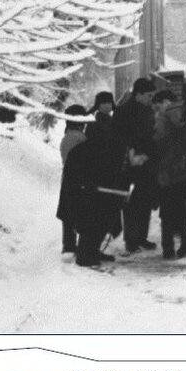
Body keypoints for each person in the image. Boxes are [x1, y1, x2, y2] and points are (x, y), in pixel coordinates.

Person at [59, 100, 129, 269]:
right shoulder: (76, 139)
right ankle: (77, 250)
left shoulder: (75, 137)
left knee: (84, 219)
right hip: (79, 185)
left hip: (79, 184)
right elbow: (77, 163)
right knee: (83, 220)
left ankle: (87, 250)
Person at [111, 76, 158, 251]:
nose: (151, 100)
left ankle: (141, 237)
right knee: (131, 203)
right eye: (148, 96)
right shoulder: (124, 112)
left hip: (146, 163)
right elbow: (120, 137)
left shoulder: (147, 110)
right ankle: (131, 239)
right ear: (138, 94)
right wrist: (131, 154)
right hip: (130, 164)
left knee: (144, 201)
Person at [152, 89, 186, 259]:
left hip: (167, 171)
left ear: (166, 102)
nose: (157, 111)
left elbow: (158, 143)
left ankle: (168, 249)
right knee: (184, 212)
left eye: (157, 107)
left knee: (167, 214)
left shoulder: (163, 119)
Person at [56, 105, 88, 254]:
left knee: (69, 211)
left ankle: (69, 244)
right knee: (74, 212)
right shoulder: (77, 137)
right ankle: (70, 245)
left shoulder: (68, 136)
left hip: (70, 180)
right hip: (77, 180)